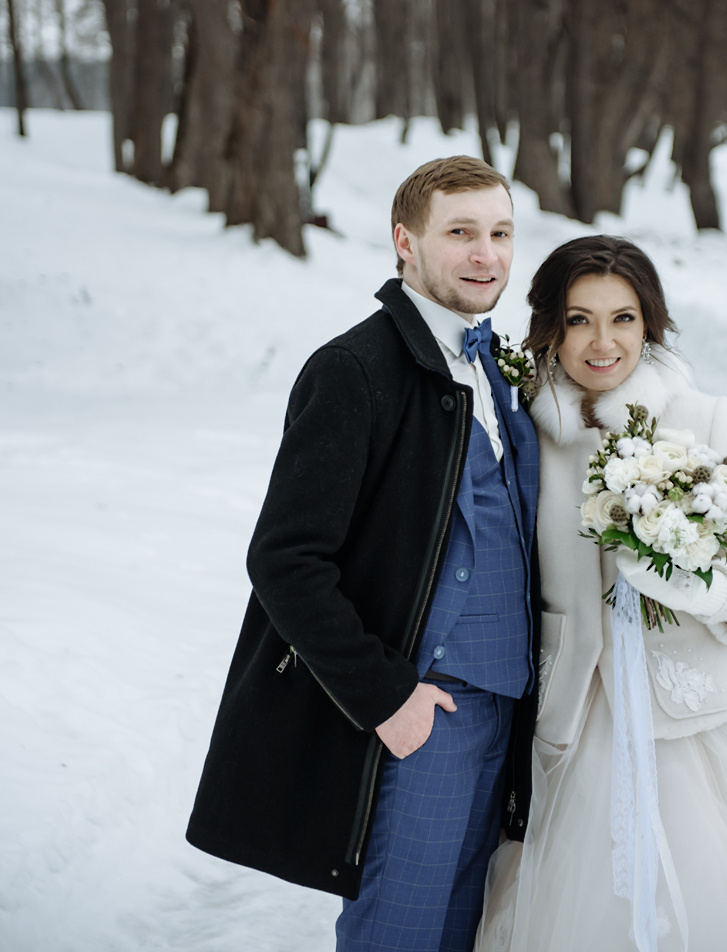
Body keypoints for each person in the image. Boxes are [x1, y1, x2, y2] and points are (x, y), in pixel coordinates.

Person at [186, 155, 540, 952]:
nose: (486, 254)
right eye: (461, 232)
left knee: (462, 934)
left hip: (505, 709)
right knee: (398, 933)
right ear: (405, 242)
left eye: (500, 233)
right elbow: (285, 560)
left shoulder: (496, 367)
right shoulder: (353, 370)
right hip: (422, 713)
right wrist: (387, 699)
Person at [475, 236, 727, 952]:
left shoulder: (703, 418)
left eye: (623, 318)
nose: (602, 342)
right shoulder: (524, 431)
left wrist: (700, 588)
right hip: (570, 712)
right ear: (550, 326)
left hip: (690, 718)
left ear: (649, 322)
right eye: (579, 319)